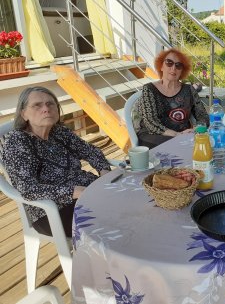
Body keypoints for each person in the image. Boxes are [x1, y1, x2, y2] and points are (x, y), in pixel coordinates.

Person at [1, 87, 111, 237]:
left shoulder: (58, 132)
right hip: (52, 210)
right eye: (37, 105)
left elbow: (91, 151)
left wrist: (104, 171)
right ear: (23, 113)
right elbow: (27, 189)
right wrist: (74, 191)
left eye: (50, 104)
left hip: (88, 191)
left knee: (131, 202)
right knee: (115, 218)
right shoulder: (18, 141)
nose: (46, 109)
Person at [135, 48, 209, 148]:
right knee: (182, 145)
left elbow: (203, 116)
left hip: (184, 136)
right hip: (153, 136)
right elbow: (150, 123)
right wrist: (177, 135)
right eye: (169, 63)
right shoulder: (149, 89)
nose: (173, 68)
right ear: (161, 66)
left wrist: (195, 129)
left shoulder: (189, 90)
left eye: (178, 65)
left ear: (182, 70)